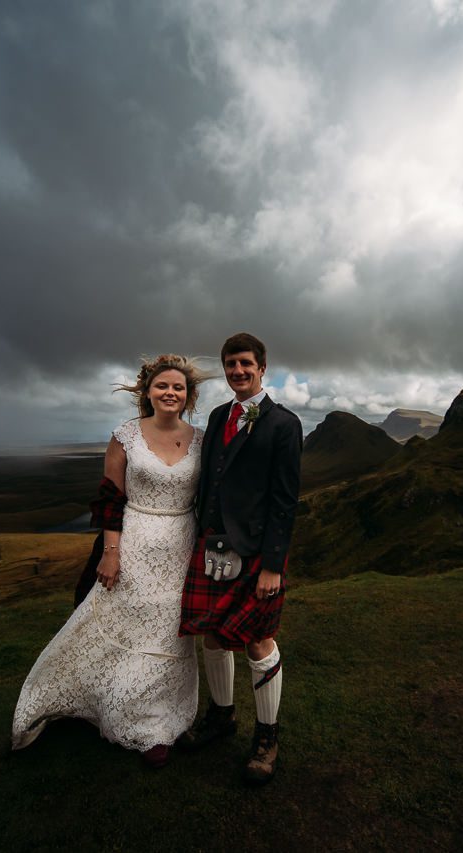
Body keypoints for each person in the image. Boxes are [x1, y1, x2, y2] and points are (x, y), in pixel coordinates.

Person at [12, 354, 207, 768]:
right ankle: (124, 713)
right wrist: (111, 552)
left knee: (172, 630)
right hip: (133, 543)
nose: (170, 393)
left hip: (181, 545)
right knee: (129, 622)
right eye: (162, 386)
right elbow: (110, 499)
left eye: (178, 388)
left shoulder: (202, 439)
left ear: (189, 396)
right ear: (147, 393)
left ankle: (164, 718)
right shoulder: (125, 437)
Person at [177, 332, 302, 784]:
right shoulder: (216, 416)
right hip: (213, 545)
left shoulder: (284, 424)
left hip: (256, 554)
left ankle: (267, 737)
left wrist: (272, 563)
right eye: (231, 364)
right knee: (211, 634)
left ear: (262, 367)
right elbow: (211, 482)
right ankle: (221, 717)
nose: (238, 371)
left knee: (258, 641)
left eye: (246, 363)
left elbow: (285, 500)